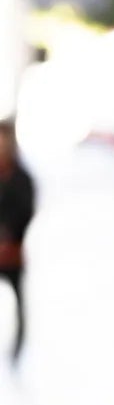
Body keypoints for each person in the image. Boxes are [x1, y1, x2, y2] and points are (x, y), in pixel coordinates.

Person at [0, 116, 36, 363]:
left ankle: (17, 350)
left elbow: (27, 209)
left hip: (13, 251)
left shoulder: (21, 176)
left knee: (19, 303)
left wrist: (10, 232)